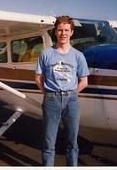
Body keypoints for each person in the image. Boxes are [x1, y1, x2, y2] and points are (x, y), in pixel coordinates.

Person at [35, 16, 89, 166]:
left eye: (66, 30)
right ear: (55, 32)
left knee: (72, 142)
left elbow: (84, 81)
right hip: (51, 99)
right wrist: (47, 93)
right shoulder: (46, 54)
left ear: (71, 32)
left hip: (71, 100)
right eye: (60, 30)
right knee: (48, 143)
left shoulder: (78, 56)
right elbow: (38, 78)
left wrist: (72, 94)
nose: (63, 33)